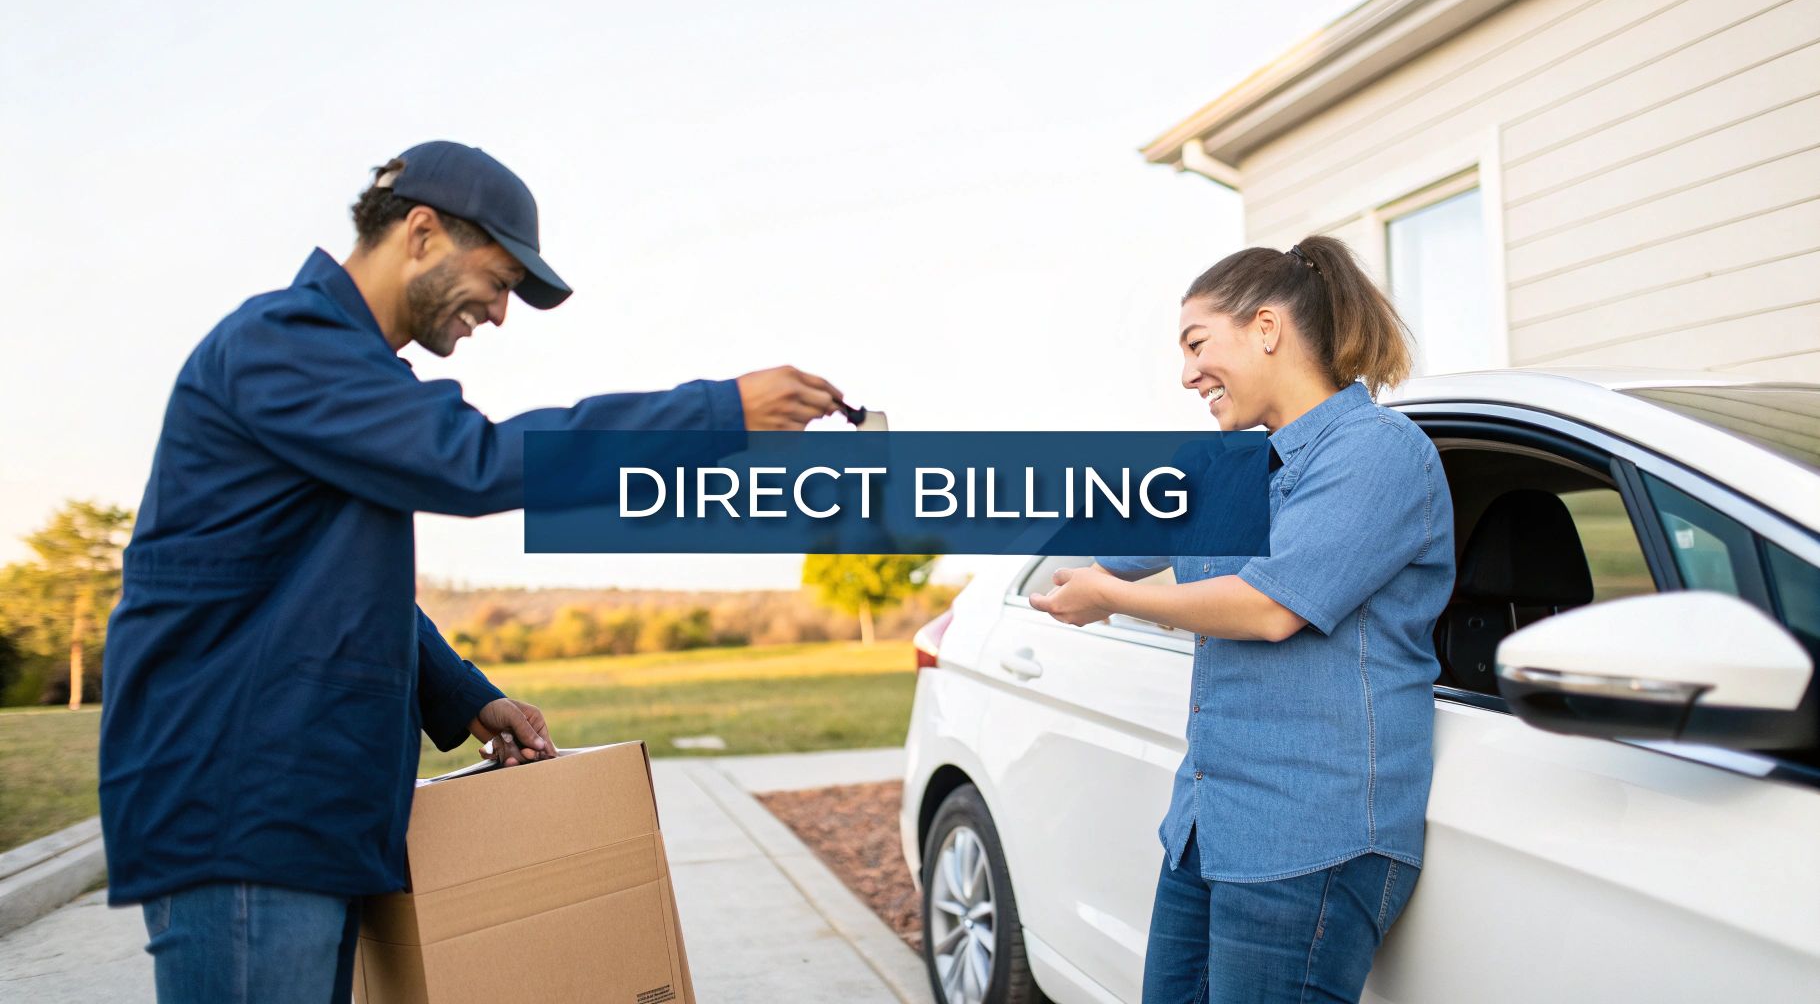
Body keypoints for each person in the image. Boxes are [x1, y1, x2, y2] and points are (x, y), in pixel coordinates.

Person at [99, 140, 844, 1004]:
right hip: (243, 807)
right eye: (497, 280)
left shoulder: (343, 373)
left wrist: (462, 696)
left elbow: (325, 587)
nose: (498, 313)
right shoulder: (286, 345)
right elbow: (473, 462)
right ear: (421, 233)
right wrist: (716, 414)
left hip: (293, 814)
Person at [1030, 236, 1454, 1004]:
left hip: (1308, 842)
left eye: (1197, 345)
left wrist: (1116, 599)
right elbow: (1096, 546)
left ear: (1266, 328)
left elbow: (1270, 607)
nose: (1186, 374)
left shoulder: (1379, 453)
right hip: (1207, 827)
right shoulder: (1232, 469)